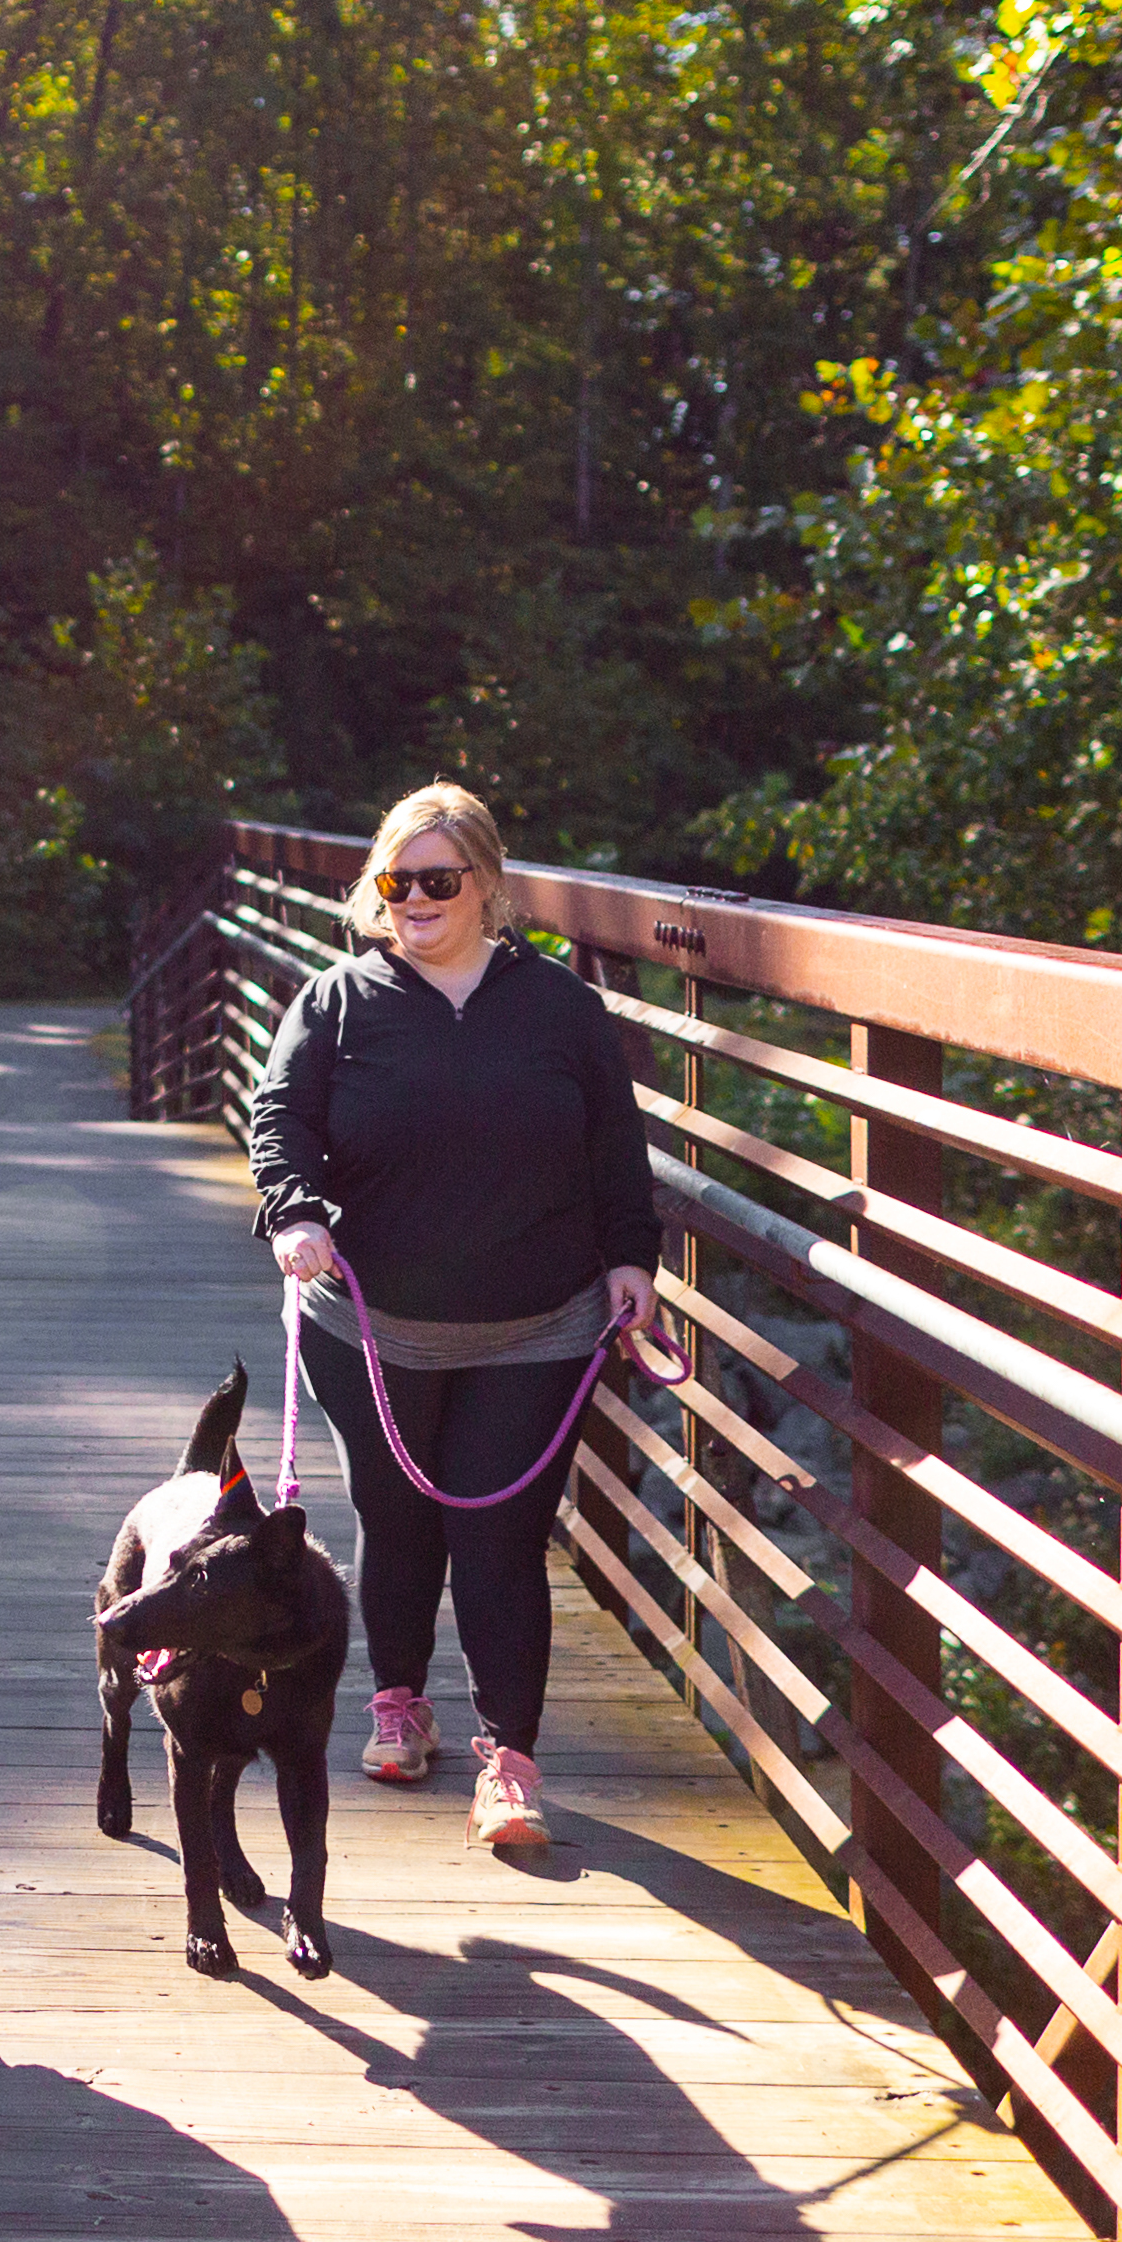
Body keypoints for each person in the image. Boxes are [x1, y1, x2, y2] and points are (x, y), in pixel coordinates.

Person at [241, 780, 661, 1854]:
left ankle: (507, 1761)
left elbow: (613, 1144)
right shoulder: (336, 999)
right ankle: (396, 1700)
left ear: (486, 886)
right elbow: (278, 1117)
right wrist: (290, 1215)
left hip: (539, 1323)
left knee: (497, 1536)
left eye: (438, 879)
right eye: (396, 881)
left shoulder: (559, 1005)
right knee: (394, 1520)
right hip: (371, 1326)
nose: (415, 899)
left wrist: (630, 1261)